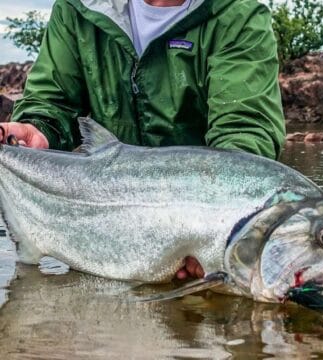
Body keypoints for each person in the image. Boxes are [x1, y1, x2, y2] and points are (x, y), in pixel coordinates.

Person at [0, 0, 285, 279]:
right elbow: (52, 101)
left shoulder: (238, 14)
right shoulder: (77, 8)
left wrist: (219, 235)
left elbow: (244, 131)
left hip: (199, 233)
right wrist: (36, 129)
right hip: (100, 220)